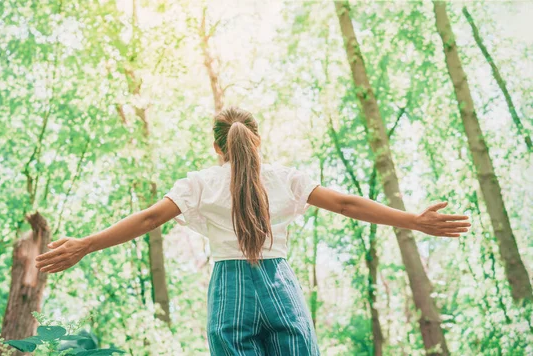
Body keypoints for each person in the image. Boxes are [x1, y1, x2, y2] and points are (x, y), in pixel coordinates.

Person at [35, 106, 471, 355]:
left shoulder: (199, 182)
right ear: (256, 140)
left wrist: (86, 245)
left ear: (216, 147)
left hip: (230, 290)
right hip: (280, 285)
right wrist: (413, 219)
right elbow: (345, 203)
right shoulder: (286, 178)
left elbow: (150, 219)